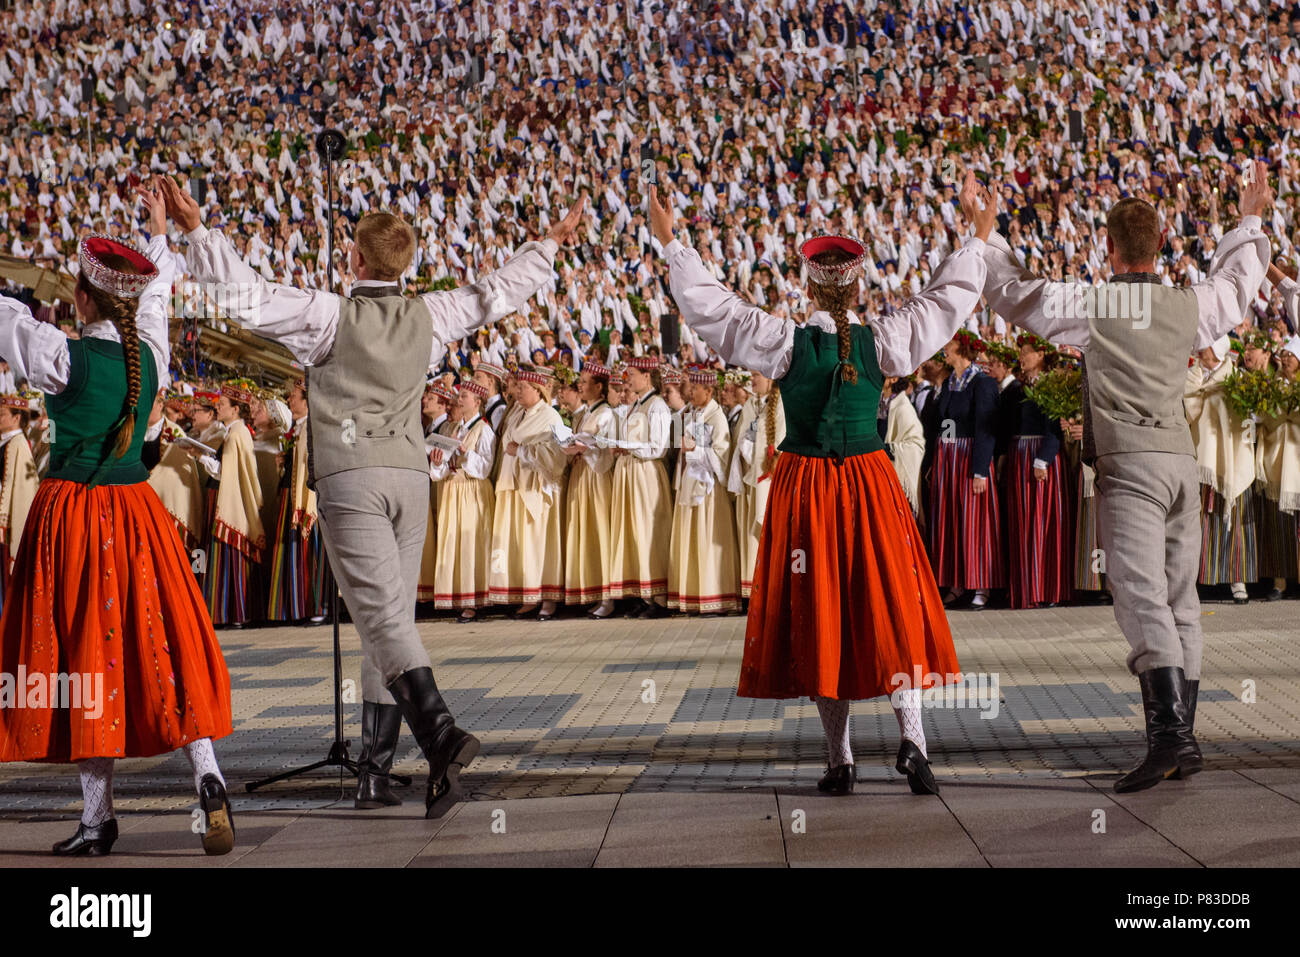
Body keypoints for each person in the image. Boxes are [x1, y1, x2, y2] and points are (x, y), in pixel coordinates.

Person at [167, 174, 587, 818]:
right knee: (386, 621)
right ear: (405, 261)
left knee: (383, 619)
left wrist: (197, 232)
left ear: (354, 259)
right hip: (409, 475)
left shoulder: (329, 314)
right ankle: (375, 770)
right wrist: (549, 246)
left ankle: (440, 733)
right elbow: (492, 294)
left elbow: (247, 297)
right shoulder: (429, 312)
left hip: (351, 476)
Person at [649, 175, 993, 795]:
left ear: (807, 285)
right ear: (857, 285)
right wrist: (976, 237)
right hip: (870, 480)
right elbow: (947, 303)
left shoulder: (783, 343)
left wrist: (674, 244)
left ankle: (841, 760)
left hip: (807, 484)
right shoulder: (881, 340)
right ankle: (912, 740)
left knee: (821, 610)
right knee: (890, 601)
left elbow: (714, 311)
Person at [979, 160, 1272, 792]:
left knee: (1140, 599)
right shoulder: (1188, 305)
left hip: (1131, 465)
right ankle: (1181, 738)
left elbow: (1014, 294)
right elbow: (1239, 285)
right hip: (1180, 462)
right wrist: (1249, 217)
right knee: (1179, 601)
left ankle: (1170, 739)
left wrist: (987, 234)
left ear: (1107, 247)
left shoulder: (1093, 304)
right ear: (1163, 244)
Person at [0, 181, 234, 856]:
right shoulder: (150, 357)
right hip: (138, 514)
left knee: (84, 655)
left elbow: (8, 324)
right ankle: (209, 776)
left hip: (73, 516)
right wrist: (158, 231)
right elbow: (154, 299)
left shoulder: (62, 356)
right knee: (165, 645)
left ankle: (98, 816)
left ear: (81, 299)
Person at [930, 329, 1003, 610]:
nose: (944, 349)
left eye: (948, 345)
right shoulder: (950, 381)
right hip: (950, 457)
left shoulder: (981, 382)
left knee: (975, 521)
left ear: (962, 349)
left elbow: (986, 428)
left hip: (969, 456)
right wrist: (942, 454)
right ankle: (956, 582)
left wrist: (980, 470)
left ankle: (981, 584)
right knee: (950, 520)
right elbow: (946, 421)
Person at [489, 365, 567, 620]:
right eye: (518, 386)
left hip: (535, 487)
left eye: (523, 387)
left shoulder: (550, 416)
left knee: (538, 542)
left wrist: (522, 451)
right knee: (519, 544)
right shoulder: (516, 414)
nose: (518, 391)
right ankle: (526, 593)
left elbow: (556, 456)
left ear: (538, 389)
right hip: (513, 484)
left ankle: (547, 595)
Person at [1185, 336, 1256, 604]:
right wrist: (1200, 387)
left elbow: (1245, 417)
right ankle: (1194, 580)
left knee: (1234, 522)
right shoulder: (1193, 377)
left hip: (1231, 458)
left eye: (1205, 346)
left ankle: (1237, 580)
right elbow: (1186, 410)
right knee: (1196, 522)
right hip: (1202, 458)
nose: (1200, 349)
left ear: (1217, 350)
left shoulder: (1235, 378)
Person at [1005, 333, 1074, 609]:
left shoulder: (1051, 382)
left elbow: (1054, 425)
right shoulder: (1020, 386)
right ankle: (1027, 588)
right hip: (1020, 454)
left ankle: (1047, 587)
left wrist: (1043, 459)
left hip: (1040, 457)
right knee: (1025, 523)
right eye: (1021, 352)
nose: (1022, 357)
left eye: (1027, 352)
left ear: (1042, 355)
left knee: (1043, 523)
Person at [193, 377, 265, 629]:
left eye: (222, 404)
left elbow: (227, 473)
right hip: (220, 495)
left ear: (235, 409)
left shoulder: (236, 434)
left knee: (225, 554)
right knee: (218, 555)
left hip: (226, 497)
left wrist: (201, 457)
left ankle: (230, 611)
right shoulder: (233, 432)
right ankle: (226, 611)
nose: (218, 407)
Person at [668, 365, 741, 615]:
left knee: (707, 537)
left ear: (708, 391)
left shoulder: (716, 417)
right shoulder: (694, 413)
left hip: (709, 490)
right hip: (691, 482)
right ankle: (694, 594)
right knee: (691, 538)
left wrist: (694, 449)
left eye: (696, 388)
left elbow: (722, 455)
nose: (690, 392)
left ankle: (714, 595)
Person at [606, 354, 673, 618]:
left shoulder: (656, 406)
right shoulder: (637, 405)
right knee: (634, 531)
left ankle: (659, 596)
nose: (628, 378)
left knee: (649, 531)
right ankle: (642, 593)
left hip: (645, 473)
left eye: (632, 373)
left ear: (647, 376)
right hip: (630, 472)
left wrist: (628, 447)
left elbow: (658, 446)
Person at [428, 380, 496, 624]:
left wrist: (466, 453)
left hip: (472, 490)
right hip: (453, 490)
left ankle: (475, 598)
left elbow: (486, 467)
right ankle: (459, 595)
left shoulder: (484, 429)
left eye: (464, 396)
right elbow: (441, 469)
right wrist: (438, 462)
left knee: (471, 543)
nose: (460, 399)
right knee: (454, 543)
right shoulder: (454, 428)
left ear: (477, 402)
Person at [265, 378, 331, 626]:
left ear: (307, 400)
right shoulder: (299, 428)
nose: (289, 400)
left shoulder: (313, 427)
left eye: (294, 396)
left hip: (308, 499)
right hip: (293, 498)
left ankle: (316, 605)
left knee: (310, 552)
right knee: (292, 551)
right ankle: (297, 605)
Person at [561, 360, 619, 619]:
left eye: (585, 382)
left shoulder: (605, 413)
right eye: (580, 382)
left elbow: (606, 447)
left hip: (596, 477)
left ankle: (608, 595)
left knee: (599, 530)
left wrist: (587, 448)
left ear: (599, 386)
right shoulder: (585, 413)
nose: (580, 386)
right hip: (582, 475)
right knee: (584, 530)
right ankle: (591, 589)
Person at [729, 370, 785, 600]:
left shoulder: (781, 404)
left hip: (770, 478)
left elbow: (780, 438)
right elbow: (740, 438)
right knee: (752, 537)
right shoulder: (751, 405)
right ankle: (755, 589)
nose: (751, 381)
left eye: (755, 375)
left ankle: (774, 588)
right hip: (751, 478)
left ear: (769, 378)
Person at [0, 392, 38, 613]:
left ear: (16, 418)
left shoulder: (17, 445)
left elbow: (22, 492)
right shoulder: (8, 442)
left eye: (3, 414)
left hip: (8, 529)